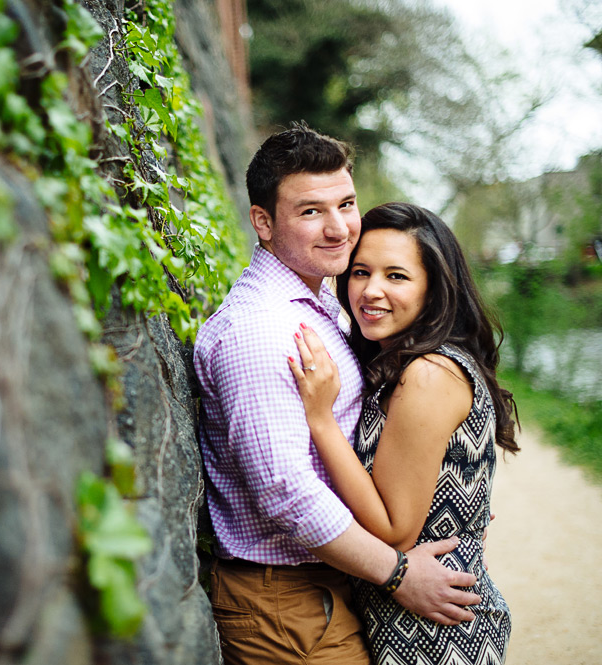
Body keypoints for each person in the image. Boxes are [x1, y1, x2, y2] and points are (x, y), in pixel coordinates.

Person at [194, 122, 482, 665]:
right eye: (310, 212)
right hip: (287, 602)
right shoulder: (262, 333)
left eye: (346, 204)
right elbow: (287, 493)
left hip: (332, 582)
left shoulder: (322, 302)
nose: (339, 229)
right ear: (263, 222)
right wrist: (398, 575)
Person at [287, 201, 518, 664]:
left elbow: (394, 529)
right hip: (405, 616)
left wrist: (321, 419)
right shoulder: (396, 365)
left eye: (396, 276)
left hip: (436, 632)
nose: (371, 291)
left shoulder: (431, 374)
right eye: (359, 272)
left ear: (434, 288)